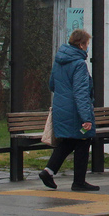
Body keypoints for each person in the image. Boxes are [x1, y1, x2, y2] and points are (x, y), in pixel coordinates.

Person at [39, 28, 99, 191]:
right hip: (75, 111)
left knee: (70, 141)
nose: (87, 47)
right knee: (83, 140)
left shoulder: (59, 60)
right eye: (87, 44)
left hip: (61, 108)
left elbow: (52, 85)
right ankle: (79, 182)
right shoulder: (79, 64)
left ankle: (48, 172)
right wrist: (86, 118)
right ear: (81, 45)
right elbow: (81, 93)